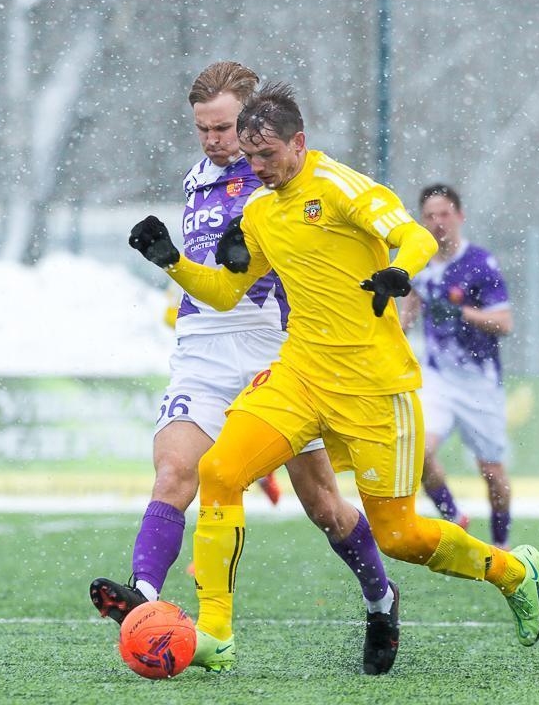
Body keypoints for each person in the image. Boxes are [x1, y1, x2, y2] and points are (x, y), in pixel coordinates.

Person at [128, 81, 539, 672]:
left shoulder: (339, 186)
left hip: (373, 387)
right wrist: (172, 261)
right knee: (219, 471)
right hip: (299, 375)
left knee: (399, 536)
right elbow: (224, 293)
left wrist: (399, 272)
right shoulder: (260, 211)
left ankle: (512, 571)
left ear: (299, 143)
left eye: (268, 154)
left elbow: (413, 235)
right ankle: (215, 633)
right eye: (250, 156)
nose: (257, 167)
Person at [91, 63, 400, 675]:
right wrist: (168, 257)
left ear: (253, 121)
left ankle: (381, 600)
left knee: (324, 506)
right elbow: (210, 268)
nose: (213, 140)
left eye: (224, 128)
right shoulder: (196, 179)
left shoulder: (280, 178)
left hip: (273, 349)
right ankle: (142, 598)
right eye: (203, 129)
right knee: (175, 471)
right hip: (202, 346)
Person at [399, 184, 514, 548]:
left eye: (444, 214)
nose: (438, 222)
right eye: (430, 216)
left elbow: (505, 323)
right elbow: (408, 313)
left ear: (460, 216)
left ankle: (501, 546)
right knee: (418, 452)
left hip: (480, 383)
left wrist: (462, 313)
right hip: (437, 380)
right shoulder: (419, 264)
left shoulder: (480, 263)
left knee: (492, 473)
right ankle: (453, 517)